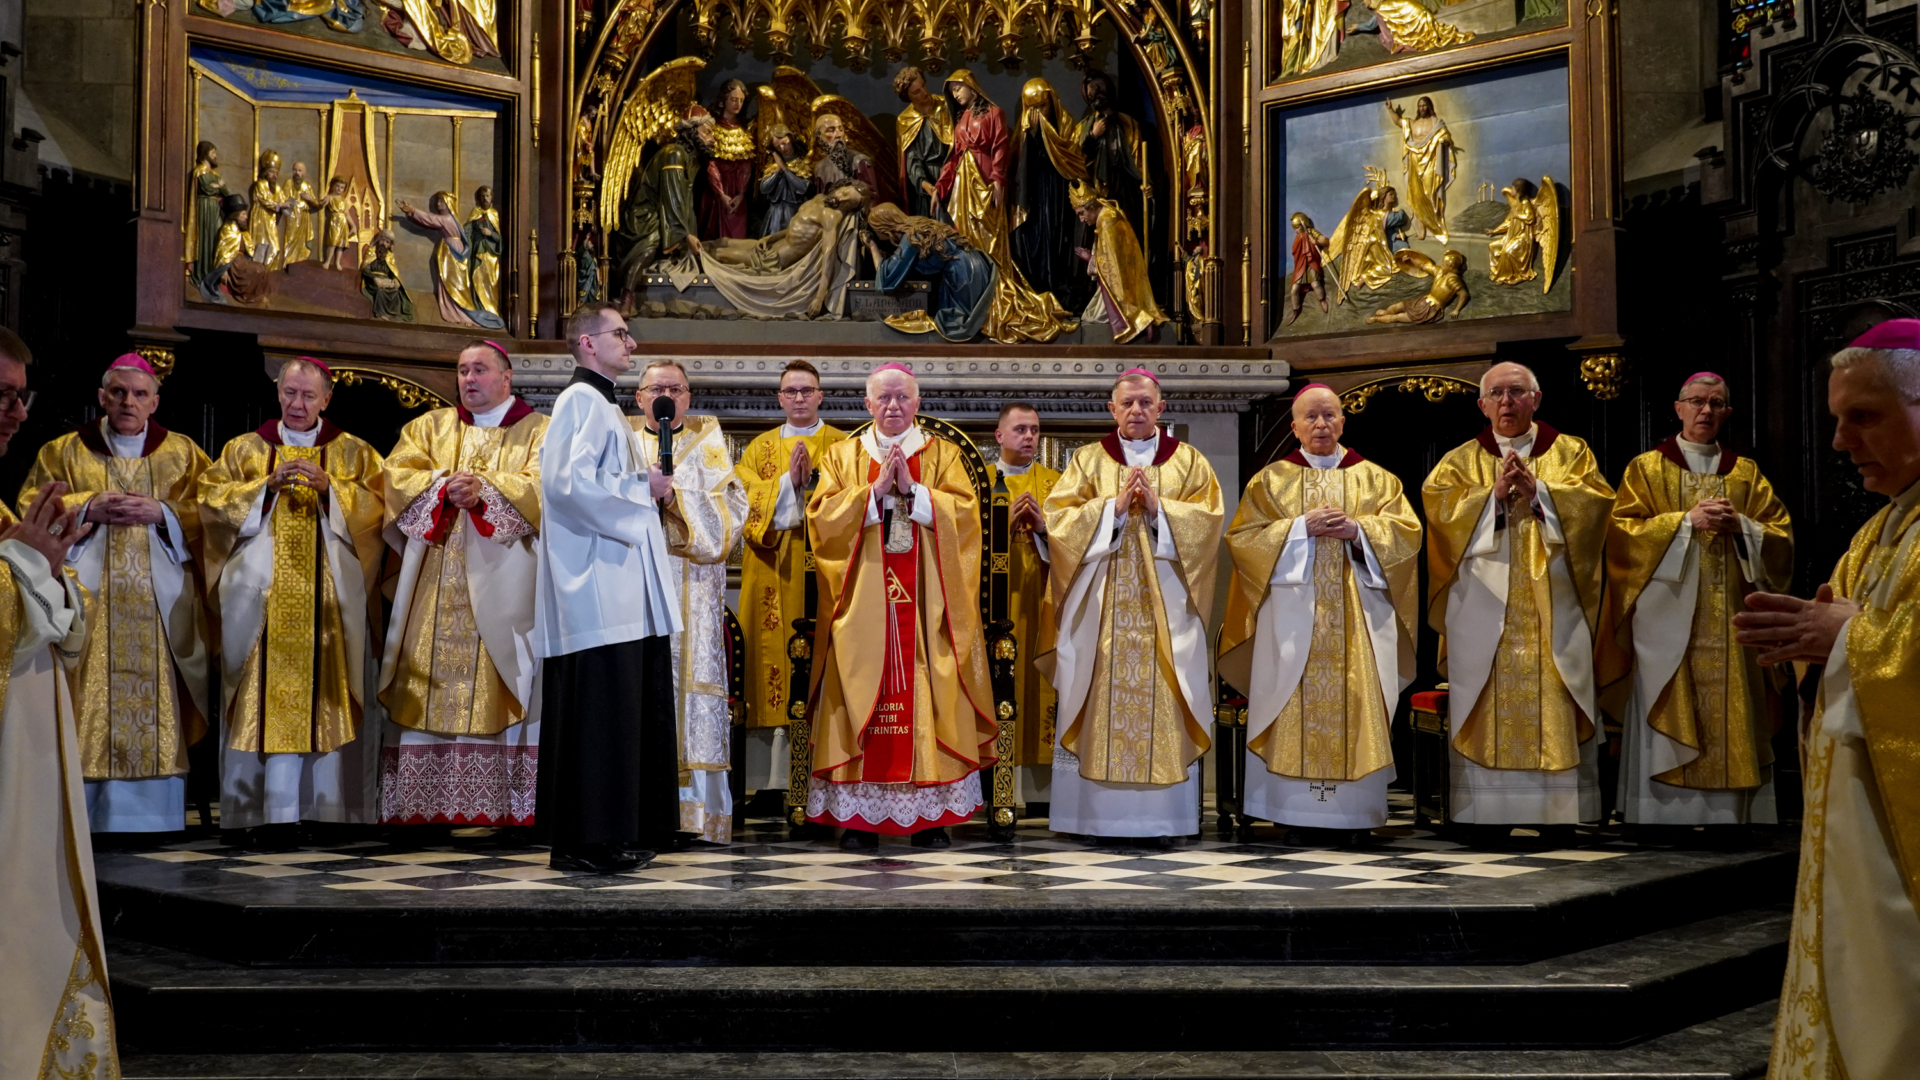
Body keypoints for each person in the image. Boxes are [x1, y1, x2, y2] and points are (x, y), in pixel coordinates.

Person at [1738, 321, 1920, 1079]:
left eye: (1865, 416)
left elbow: (1878, 643)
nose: (1842, 443)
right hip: (1857, 835)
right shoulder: (1879, 532)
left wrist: (1853, 639)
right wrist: (1814, 651)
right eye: (1837, 421)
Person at [18, 353, 212, 835]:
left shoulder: (183, 454)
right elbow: (29, 509)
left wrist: (163, 513)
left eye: (139, 394)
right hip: (88, 604)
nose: (128, 402)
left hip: (159, 606)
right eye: (118, 392)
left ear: (155, 402)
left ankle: (155, 818)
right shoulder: (63, 452)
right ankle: (80, 816)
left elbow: (214, 511)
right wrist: (87, 505)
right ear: (102, 397)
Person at [804, 363, 996, 849]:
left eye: (902, 398)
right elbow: (821, 520)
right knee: (859, 681)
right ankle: (860, 818)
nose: (893, 407)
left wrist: (914, 492)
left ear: (917, 403)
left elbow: (968, 519)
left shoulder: (944, 456)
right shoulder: (842, 456)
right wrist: (872, 495)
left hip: (928, 605)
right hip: (862, 607)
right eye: (883, 399)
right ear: (866, 404)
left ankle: (929, 820)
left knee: (929, 685)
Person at [1218, 385, 1421, 838]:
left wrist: (1359, 531)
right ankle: (1290, 812)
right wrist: (1296, 530)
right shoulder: (1270, 481)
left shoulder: (1378, 480)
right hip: (1291, 624)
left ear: (1343, 422)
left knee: (1358, 698)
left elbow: (1407, 535)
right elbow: (1243, 539)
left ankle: (1354, 815)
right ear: (1294, 427)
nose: (1321, 425)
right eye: (1310, 418)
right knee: (1289, 698)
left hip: (1358, 622)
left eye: (1329, 415)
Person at [1421, 362, 1614, 839]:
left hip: (1555, 603)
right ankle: (1485, 814)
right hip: (1484, 605)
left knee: (1554, 690)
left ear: (1537, 399)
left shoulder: (1571, 453)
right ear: (1481, 404)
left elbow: (1596, 508)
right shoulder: (1460, 460)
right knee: (1486, 697)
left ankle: (1556, 815)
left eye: (1516, 392)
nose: (1506, 402)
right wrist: (1492, 497)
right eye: (1496, 394)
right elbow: (1440, 515)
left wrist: (1540, 494)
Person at [200, 357, 387, 843]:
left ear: (327, 398)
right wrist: (263, 490)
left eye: (308, 396)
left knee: (331, 695)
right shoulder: (245, 450)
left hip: (330, 610)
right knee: (257, 696)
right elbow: (211, 505)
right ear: (278, 392)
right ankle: (257, 813)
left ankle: (330, 813)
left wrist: (333, 493)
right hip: (260, 605)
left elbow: (381, 514)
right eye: (289, 393)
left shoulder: (354, 454)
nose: (297, 404)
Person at [0, 327, 119, 1078]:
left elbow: (59, 624)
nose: (14, 412)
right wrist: (26, 568)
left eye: (21, 395)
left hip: (29, 752)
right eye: (1, 395)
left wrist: (47, 570)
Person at [1598, 373, 1793, 829]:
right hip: (1666, 618)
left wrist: (1743, 527)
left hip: (1732, 621)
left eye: (1716, 403)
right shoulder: (1646, 469)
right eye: (1697, 402)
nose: (1706, 411)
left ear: (1727, 413)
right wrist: (1684, 522)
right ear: (1678, 407)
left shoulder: (1745, 473)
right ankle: (1661, 814)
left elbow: (1780, 536)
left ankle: (1729, 816)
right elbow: (1621, 535)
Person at [1038, 369, 1223, 841]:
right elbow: (1058, 523)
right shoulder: (1085, 461)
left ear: (1161, 409)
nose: (1137, 411)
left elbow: (1209, 524)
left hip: (1168, 608)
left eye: (1145, 403)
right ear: (1112, 410)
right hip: (1099, 610)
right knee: (1095, 690)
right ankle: (1092, 819)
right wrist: (1112, 511)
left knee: (1165, 690)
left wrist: (1162, 510)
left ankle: (1166, 820)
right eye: (1128, 404)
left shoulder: (1190, 463)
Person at [533, 303, 683, 872]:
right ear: (588, 344)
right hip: (595, 588)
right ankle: (585, 841)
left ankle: (607, 834)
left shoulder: (600, 403)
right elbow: (564, 484)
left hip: (613, 585)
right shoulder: (580, 401)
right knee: (598, 716)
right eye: (621, 334)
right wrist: (640, 485)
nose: (632, 343)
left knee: (613, 714)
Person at [377, 341, 548, 831]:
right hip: (435, 581)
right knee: (424, 676)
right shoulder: (428, 427)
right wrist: (440, 488)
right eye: (461, 370)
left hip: (507, 581)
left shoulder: (539, 431)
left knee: (503, 679)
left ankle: (499, 807)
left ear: (507, 377)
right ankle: (419, 806)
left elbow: (546, 487)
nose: (468, 379)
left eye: (479, 369)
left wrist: (488, 490)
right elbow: (394, 478)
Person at [629, 359, 746, 842]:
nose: (667, 395)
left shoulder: (710, 442)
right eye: (657, 387)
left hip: (691, 592)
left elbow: (730, 513)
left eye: (676, 388)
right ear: (639, 398)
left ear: (689, 397)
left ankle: (694, 815)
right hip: (630, 589)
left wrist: (674, 498)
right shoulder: (621, 438)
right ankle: (634, 809)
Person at [735, 360, 848, 810]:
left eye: (807, 390)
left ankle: (827, 774)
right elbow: (741, 503)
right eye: (791, 391)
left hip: (826, 573)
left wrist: (813, 487)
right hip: (772, 569)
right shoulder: (758, 449)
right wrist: (786, 484)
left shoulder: (844, 446)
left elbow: (857, 501)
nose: (799, 398)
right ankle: (769, 783)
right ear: (779, 398)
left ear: (821, 396)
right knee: (771, 670)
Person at [935, 69, 1075, 345]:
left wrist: (998, 180)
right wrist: (941, 185)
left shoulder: (994, 113)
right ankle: (972, 293)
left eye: (958, 88)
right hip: (964, 185)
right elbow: (954, 155)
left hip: (985, 181)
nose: (955, 94)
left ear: (972, 86)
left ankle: (992, 293)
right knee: (965, 240)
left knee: (990, 240)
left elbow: (1000, 147)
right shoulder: (961, 117)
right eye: (951, 91)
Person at [989, 402, 1062, 809]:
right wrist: (1000, 524)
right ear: (999, 436)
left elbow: (1075, 543)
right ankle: (997, 787)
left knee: (1040, 682)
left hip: (1042, 599)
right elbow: (961, 539)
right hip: (996, 602)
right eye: (1020, 429)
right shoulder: (977, 481)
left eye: (1034, 430)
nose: (1029, 437)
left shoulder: (1055, 484)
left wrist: (1043, 528)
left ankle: (1042, 791)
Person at [617, 108, 714, 299]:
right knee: (651, 245)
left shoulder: (691, 161)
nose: (712, 139)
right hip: (646, 215)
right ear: (692, 132)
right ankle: (626, 297)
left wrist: (690, 234)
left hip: (667, 214)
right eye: (707, 132)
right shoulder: (674, 154)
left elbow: (685, 203)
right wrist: (686, 236)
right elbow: (672, 198)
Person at [865, 203, 998, 342]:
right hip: (972, 264)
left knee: (956, 322)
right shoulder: (917, 223)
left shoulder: (910, 238)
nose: (876, 234)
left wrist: (873, 247)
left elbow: (886, 281)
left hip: (962, 275)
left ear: (884, 227)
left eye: (875, 229)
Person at [1011, 77, 1089, 310]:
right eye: (1031, 108)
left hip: (1057, 196)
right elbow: (1021, 168)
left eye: (1042, 106)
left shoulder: (1066, 127)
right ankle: (1037, 287)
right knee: (1035, 240)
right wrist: (1033, 135)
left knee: (1058, 241)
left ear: (1052, 102)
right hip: (1034, 197)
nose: (1037, 113)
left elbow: (1072, 163)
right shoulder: (1023, 132)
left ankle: (1059, 288)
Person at [1071, 180, 1166, 344]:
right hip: (1117, 281)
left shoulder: (1108, 222)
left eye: (1081, 213)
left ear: (1092, 207)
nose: (1081, 219)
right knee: (1090, 315)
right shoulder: (1108, 214)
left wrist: (1090, 259)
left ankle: (1140, 320)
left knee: (1093, 317)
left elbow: (1112, 265)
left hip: (1117, 287)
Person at [400, 190, 506, 330]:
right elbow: (430, 221)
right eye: (438, 201)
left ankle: (459, 313)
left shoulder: (447, 219)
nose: (438, 204)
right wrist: (412, 213)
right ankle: (456, 310)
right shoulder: (452, 218)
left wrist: (413, 210)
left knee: (453, 284)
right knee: (451, 283)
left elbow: (431, 219)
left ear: (448, 203)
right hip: (453, 250)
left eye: (441, 201)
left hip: (451, 252)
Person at [893, 66, 952, 223]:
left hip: (950, 177)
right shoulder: (905, 120)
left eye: (923, 86)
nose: (924, 93)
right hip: (924, 186)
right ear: (907, 97)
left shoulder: (946, 107)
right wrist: (927, 186)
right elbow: (911, 161)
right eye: (916, 92)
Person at [699, 79, 754, 241]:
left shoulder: (745, 130)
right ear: (724, 99)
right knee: (714, 235)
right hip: (715, 192)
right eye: (734, 99)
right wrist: (721, 194)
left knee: (737, 238)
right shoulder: (711, 128)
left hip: (737, 192)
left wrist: (742, 194)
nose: (738, 104)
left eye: (741, 100)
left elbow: (746, 165)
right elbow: (711, 164)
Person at [758, 123, 811, 237]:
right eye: (777, 147)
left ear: (791, 139)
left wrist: (785, 170)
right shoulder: (773, 165)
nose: (782, 148)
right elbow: (763, 188)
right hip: (776, 213)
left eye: (785, 143)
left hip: (795, 211)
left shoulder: (802, 163)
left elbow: (802, 188)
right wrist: (777, 171)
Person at [810, 113, 879, 198]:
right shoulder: (819, 168)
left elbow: (872, 197)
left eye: (841, 129)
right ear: (819, 137)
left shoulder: (859, 161)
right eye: (831, 130)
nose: (838, 135)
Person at [361, 229, 416, 322]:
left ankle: (394, 313)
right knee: (380, 291)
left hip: (386, 279)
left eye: (387, 242)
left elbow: (392, 271)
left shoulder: (389, 255)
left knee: (396, 291)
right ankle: (380, 313)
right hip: (372, 280)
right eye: (382, 240)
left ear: (390, 245)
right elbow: (365, 268)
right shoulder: (371, 251)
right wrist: (375, 278)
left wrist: (395, 279)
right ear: (378, 240)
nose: (384, 243)